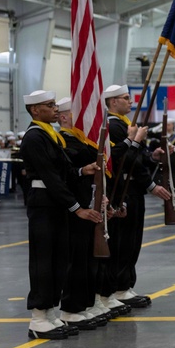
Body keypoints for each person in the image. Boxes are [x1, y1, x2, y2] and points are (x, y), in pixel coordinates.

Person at [21, 90, 103, 340]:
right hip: (43, 204)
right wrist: (76, 207)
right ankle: (38, 317)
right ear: (35, 110)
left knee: (59, 260)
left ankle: (49, 312)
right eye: (50, 105)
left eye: (55, 104)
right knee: (43, 261)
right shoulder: (34, 137)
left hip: (55, 204)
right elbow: (51, 177)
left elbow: (64, 170)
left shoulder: (50, 135)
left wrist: (82, 170)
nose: (55, 108)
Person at [104, 84, 171, 310]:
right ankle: (119, 287)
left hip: (133, 189)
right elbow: (126, 160)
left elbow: (139, 158)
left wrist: (152, 157)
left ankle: (125, 285)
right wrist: (151, 185)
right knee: (123, 241)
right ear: (113, 102)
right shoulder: (114, 126)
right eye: (125, 98)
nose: (130, 101)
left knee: (133, 241)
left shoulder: (126, 124)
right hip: (125, 190)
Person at [55, 97, 109, 330]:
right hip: (74, 207)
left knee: (88, 257)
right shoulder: (63, 141)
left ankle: (84, 303)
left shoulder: (82, 140)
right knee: (76, 259)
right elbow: (68, 173)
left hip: (90, 203)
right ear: (64, 117)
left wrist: (101, 196)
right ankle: (71, 307)